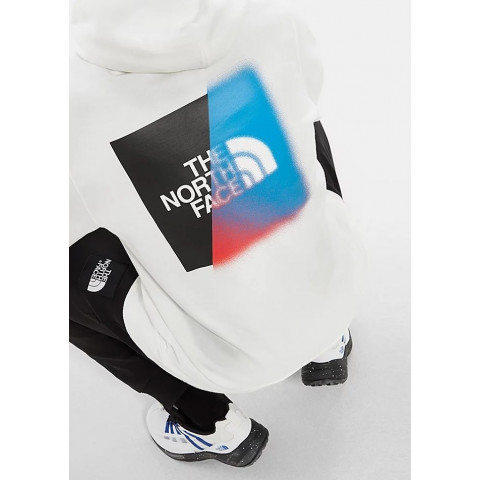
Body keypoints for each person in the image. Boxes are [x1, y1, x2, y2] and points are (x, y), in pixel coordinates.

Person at [70, 0, 363, 468]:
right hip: (338, 293)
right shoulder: (272, 20)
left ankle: (208, 422)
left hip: (226, 357)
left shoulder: (67, 104)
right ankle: (328, 339)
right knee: (298, 119)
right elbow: (306, 93)